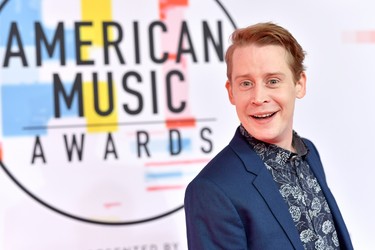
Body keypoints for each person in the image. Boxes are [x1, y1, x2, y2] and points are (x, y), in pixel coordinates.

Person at [184, 22, 353, 250]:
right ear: (231, 91)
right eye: (246, 83)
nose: (259, 97)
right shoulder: (212, 190)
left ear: (299, 84)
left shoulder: (309, 153)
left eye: (272, 81)